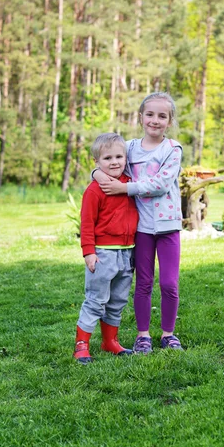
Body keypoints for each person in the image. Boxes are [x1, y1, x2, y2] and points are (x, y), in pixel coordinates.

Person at [93, 92, 183, 354]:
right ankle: (143, 335)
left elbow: (160, 184)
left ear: (169, 121)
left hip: (168, 227)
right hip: (141, 228)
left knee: (169, 283)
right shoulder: (129, 147)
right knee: (143, 282)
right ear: (141, 117)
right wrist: (96, 173)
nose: (155, 120)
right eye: (150, 114)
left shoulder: (172, 149)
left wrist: (125, 189)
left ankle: (168, 334)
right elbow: (106, 159)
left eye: (162, 116)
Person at [73, 133, 139, 364]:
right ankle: (82, 344)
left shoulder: (130, 184)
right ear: (97, 163)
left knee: (118, 300)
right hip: (102, 254)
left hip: (126, 252)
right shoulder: (95, 190)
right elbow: (87, 223)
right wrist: (88, 252)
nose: (114, 162)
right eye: (107, 158)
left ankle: (110, 341)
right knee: (96, 300)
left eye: (119, 156)